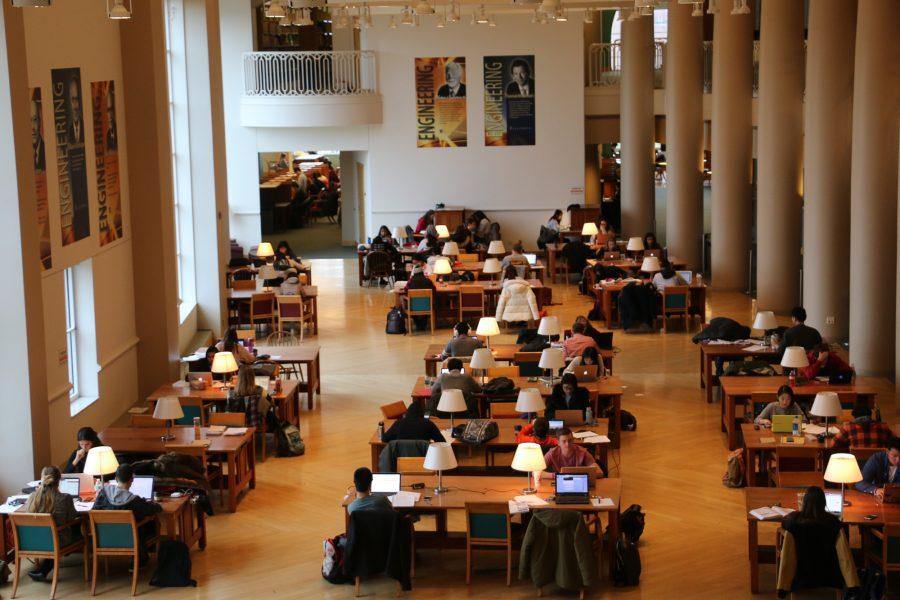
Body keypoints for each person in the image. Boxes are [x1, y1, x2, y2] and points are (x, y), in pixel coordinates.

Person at [778, 486, 848, 594]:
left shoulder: (794, 522)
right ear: (824, 503)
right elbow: (845, 557)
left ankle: (783, 588)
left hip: (801, 575)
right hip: (829, 575)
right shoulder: (833, 523)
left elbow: (784, 522)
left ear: (804, 502)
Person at [94, 463, 163, 564]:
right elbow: (155, 509)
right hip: (129, 540)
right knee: (149, 524)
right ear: (132, 479)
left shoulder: (103, 492)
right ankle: (140, 561)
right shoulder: (134, 501)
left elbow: (95, 510)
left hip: (105, 538)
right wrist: (153, 504)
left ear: (116, 478)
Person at [24, 466, 79, 582]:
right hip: (57, 540)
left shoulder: (32, 497)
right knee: (78, 526)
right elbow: (72, 517)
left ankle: (42, 570)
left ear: (42, 478)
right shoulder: (65, 498)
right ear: (59, 481)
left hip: (34, 540)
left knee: (52, 535)